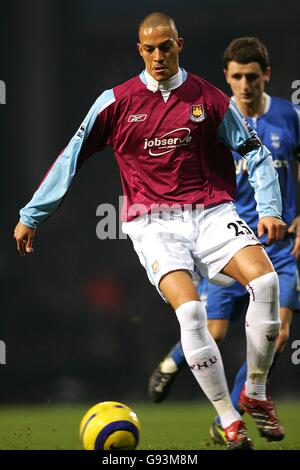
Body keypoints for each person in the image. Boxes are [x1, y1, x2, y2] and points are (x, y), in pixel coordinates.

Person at [14, 14, 287, 450]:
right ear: (139, 50)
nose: (158, 56)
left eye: (166, 46)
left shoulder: (209, 98)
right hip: (153, 223)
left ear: (179, 44)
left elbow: (254, 153)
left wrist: (270, 207)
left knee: (267, 281)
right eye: (149, 48)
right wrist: (33, 213)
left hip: (212, 212)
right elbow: (73, 154)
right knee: (193, 314)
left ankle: (255, 391)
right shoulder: (115, 102)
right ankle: (228, 419)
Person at [148, 36, 300, 445]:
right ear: (227, 79)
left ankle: (232, 414)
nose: (245, 84)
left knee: (279, 333)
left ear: (266, 75)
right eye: (237, 77)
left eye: (252, 76)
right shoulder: (213, 117)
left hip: (278, 248)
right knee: (211, 333)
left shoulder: (290, 116)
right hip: (226, 242)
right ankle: (172, 361)